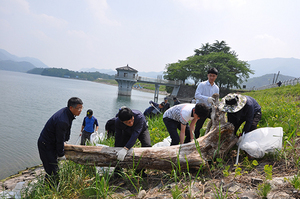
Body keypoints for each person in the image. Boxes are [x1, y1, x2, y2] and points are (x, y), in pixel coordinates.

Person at [37, 97, 83, 185]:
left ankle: (48, 188)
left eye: (81, 108)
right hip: (46, 145)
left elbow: (63, 135)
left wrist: (64, 142)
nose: (80, 110)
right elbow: (59, 139)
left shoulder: (67, 113)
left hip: (51, 144)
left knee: (52, 169)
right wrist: (61, 154)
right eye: (78, 108)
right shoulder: (62, 120)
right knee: (52, 171)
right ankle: (50, 191)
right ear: (71, 108)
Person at [114, 107, 152, 177]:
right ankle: (117, 171)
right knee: (119, 146)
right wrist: (118, 148)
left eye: (132, 120)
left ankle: (139, 171)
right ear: (122, 122)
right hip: (127, 131)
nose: (131, 123)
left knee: (147, 146)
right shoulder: (117, 121)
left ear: (133, 116)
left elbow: (136, 134)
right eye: (128, 122)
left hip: (141, 130)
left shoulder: (139, 116)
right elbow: (118, 136)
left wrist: (126, 148)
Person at [194, 67, 219, 138]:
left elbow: (216, 99)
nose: (212, 77)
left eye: (213, 76)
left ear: (216, 77)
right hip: (201, 108)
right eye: (210, 75)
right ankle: (195, 140)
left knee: (216, 121)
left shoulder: (216, 88)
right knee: (199, 126)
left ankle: (211, 137)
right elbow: (197, 95)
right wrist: (207, 99)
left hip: (210, 108)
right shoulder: (202, 84)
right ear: (208, 75)